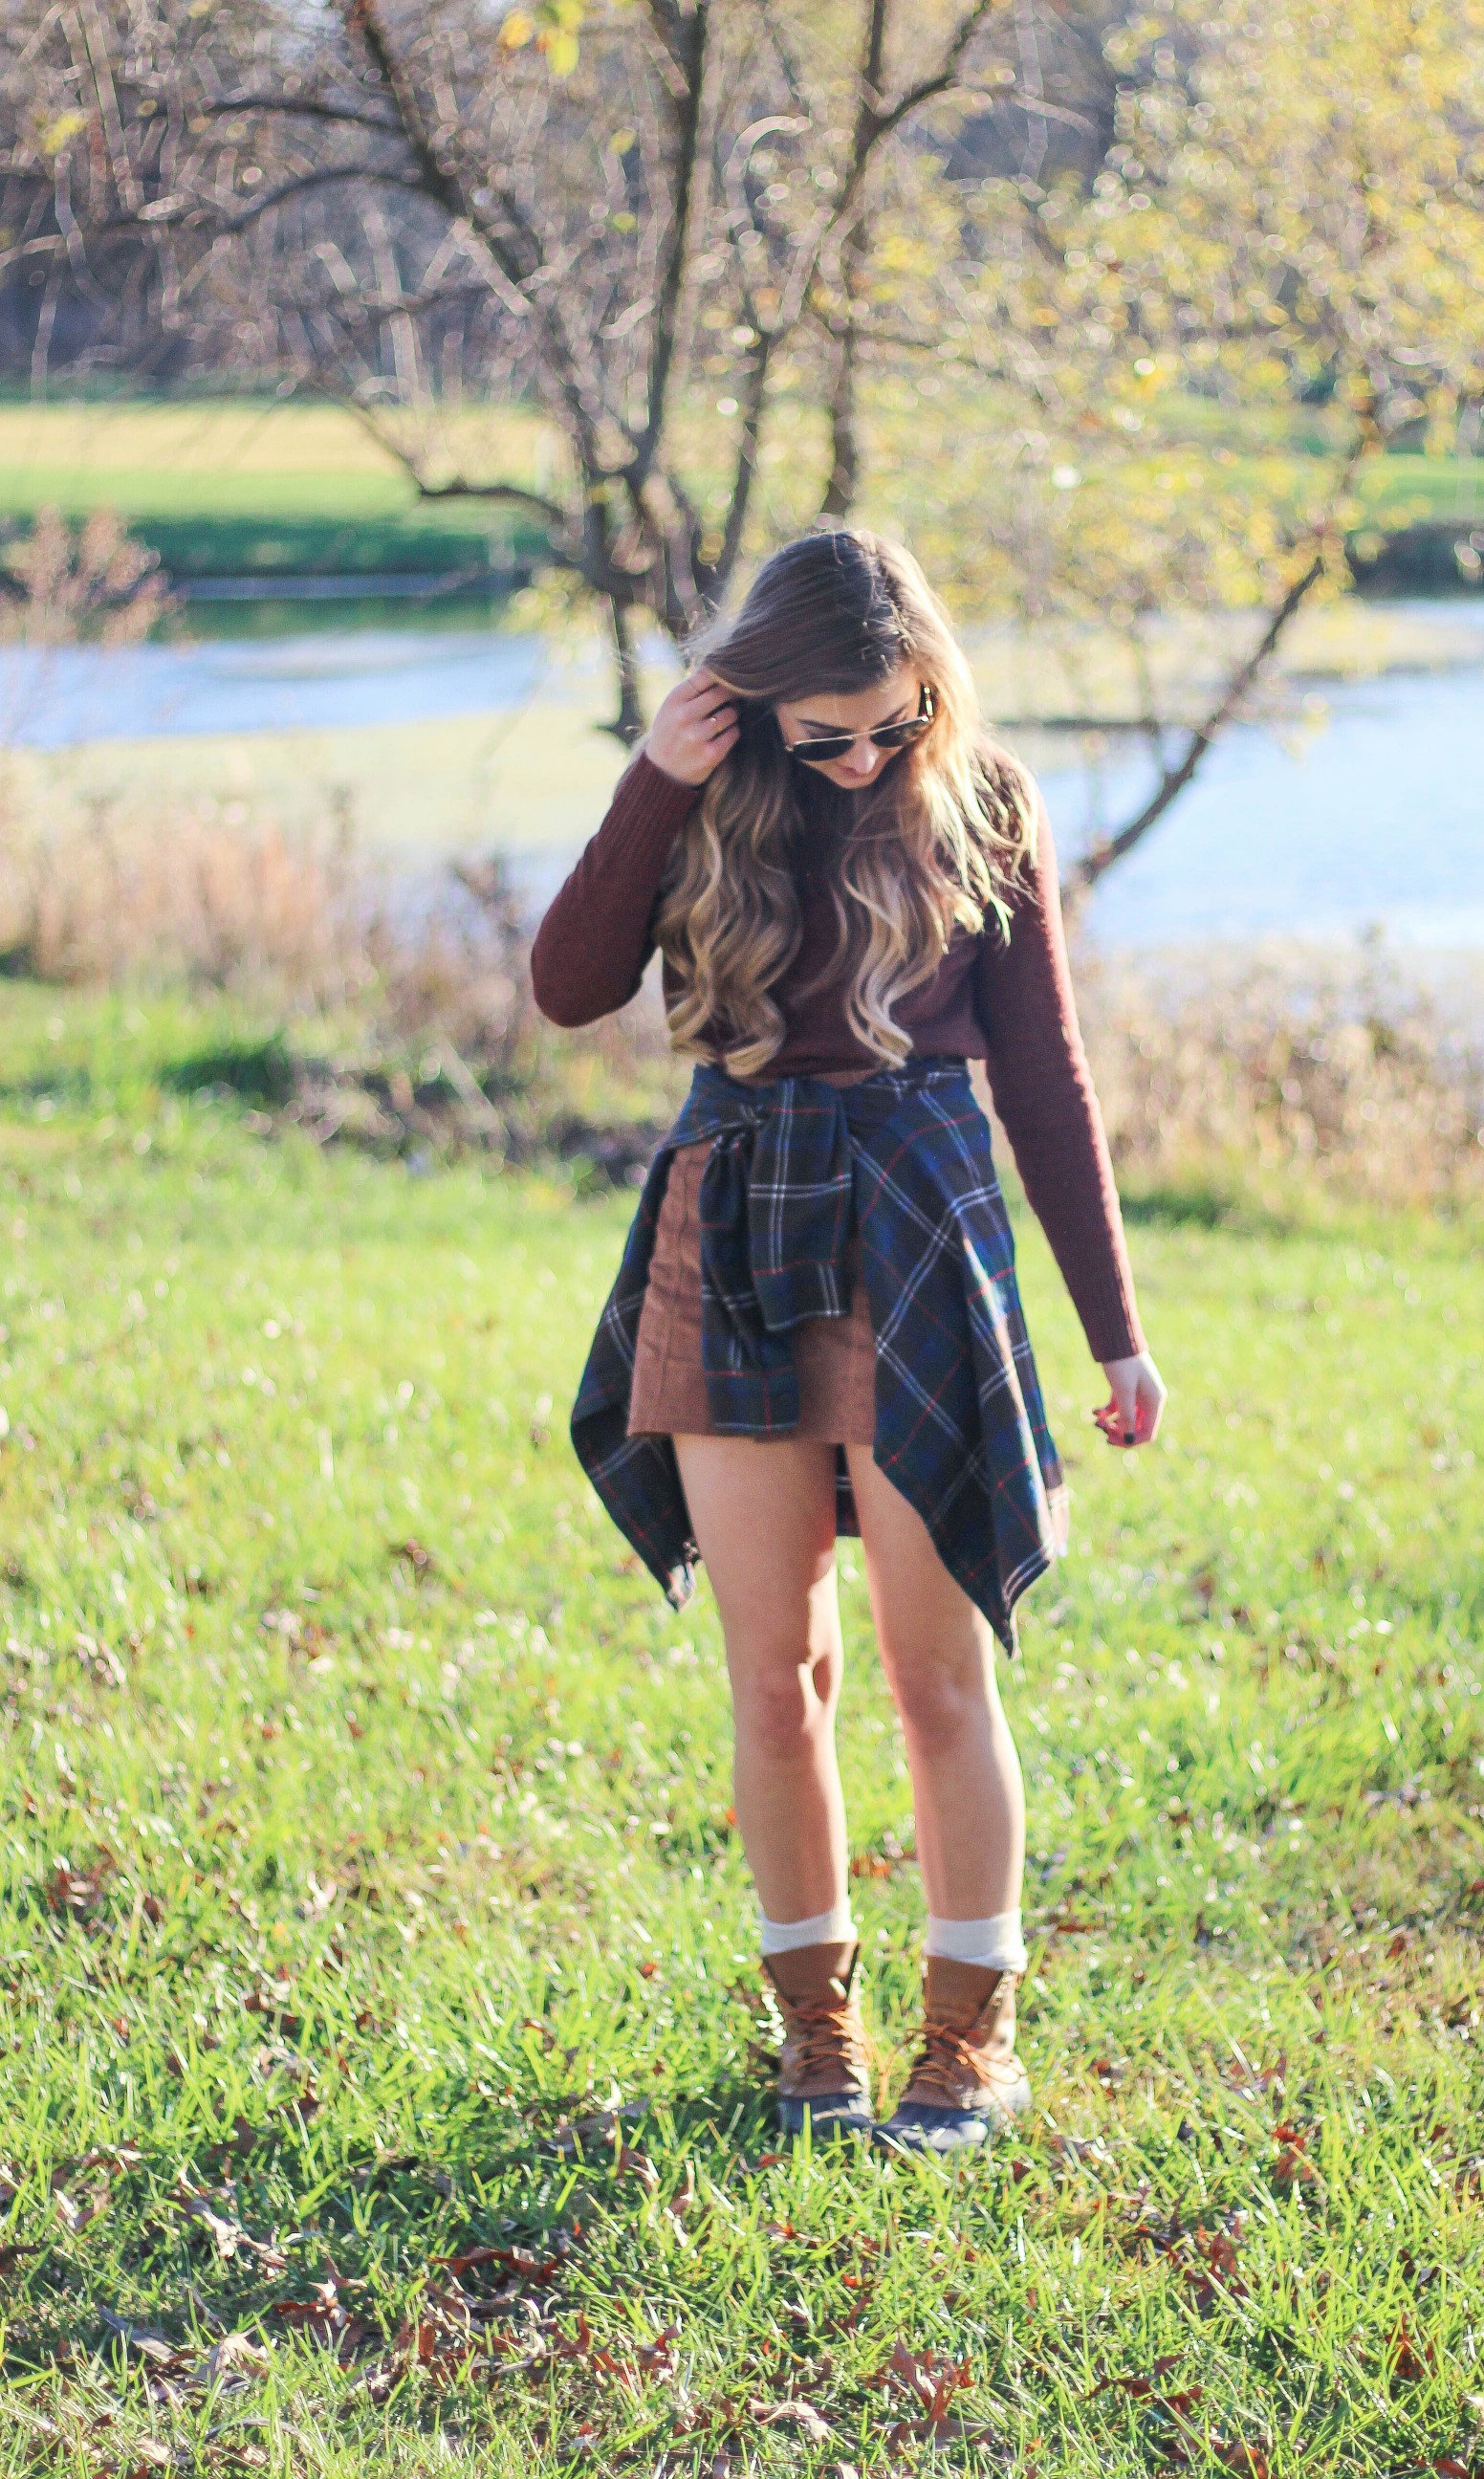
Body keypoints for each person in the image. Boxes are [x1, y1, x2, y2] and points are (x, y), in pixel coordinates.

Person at [531, 531, 1165, 2154]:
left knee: (933, 1670)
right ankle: (817, 2033)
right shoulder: (707, 795)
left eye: (892, 721)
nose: (866, 757)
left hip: (918, 1226)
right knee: (777, 1672)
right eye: (828, 735)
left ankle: (972, 2039)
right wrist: (652, 788)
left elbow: (1049, 1080)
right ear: (753, 705)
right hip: (734, 1216)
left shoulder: (983, 801)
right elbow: (568, 985)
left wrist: (1116, 1336)